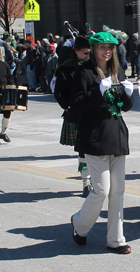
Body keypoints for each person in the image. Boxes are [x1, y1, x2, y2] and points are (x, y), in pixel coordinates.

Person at [70, 32, 134, 255]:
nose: (107, 52)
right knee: (101, 190)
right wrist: (98, 92)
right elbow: (76, 104)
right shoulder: (84, 72)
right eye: (102, 48)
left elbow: (123, 107)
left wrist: (128, 95)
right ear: (94, 49)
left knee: (118, 191)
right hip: (95, 137)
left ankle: (116, 239)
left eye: (110, 48)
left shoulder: (117, 71)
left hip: (116, 136)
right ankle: (79, 224)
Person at [54, 37, 92, 197]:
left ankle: (96, 180)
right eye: (85, 52)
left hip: (93, 112)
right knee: (83, 151)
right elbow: (59, 93)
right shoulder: (65, 69)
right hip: (76, 114)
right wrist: (69, 106)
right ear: (76, 51)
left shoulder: (93, 67)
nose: (88, 55)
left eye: (90, 52)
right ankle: (86, 182)